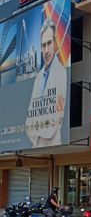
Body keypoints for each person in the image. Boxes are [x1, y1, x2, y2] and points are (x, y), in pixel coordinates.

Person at [25, 17, 68, 148]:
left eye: (49, 43)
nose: (46, 50)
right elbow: (28, 122)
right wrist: (40, 132)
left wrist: (38, 131)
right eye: (43, 45)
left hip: (54, 144)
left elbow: (57, 119)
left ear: (55, 43)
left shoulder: (61, 73)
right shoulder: (38, 78)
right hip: (36, 145)